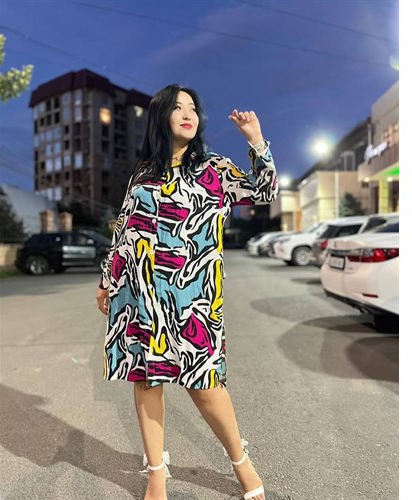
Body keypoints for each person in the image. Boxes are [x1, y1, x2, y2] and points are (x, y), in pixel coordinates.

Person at [96, 83, 278, 500]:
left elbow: (265, 191)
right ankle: (156, 474)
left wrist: (256, 141)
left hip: (195, 299)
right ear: (161, 117)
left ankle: (240, 460)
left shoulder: (213, 169)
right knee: (146, 382)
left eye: (193, 108)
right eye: (178, 107)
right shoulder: (142, 174)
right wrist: (107, 280)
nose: (188, 113)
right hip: (140, 296)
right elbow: (124, 230)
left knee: (205, 385)